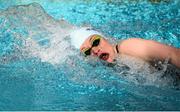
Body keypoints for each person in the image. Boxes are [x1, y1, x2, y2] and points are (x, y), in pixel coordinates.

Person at [69, 27, 180, 68]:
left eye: (95, 42)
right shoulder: (112, 66)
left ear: (105, 38)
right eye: (87, 52)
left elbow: (174, 54)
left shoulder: (127, 46)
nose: (95, 50)